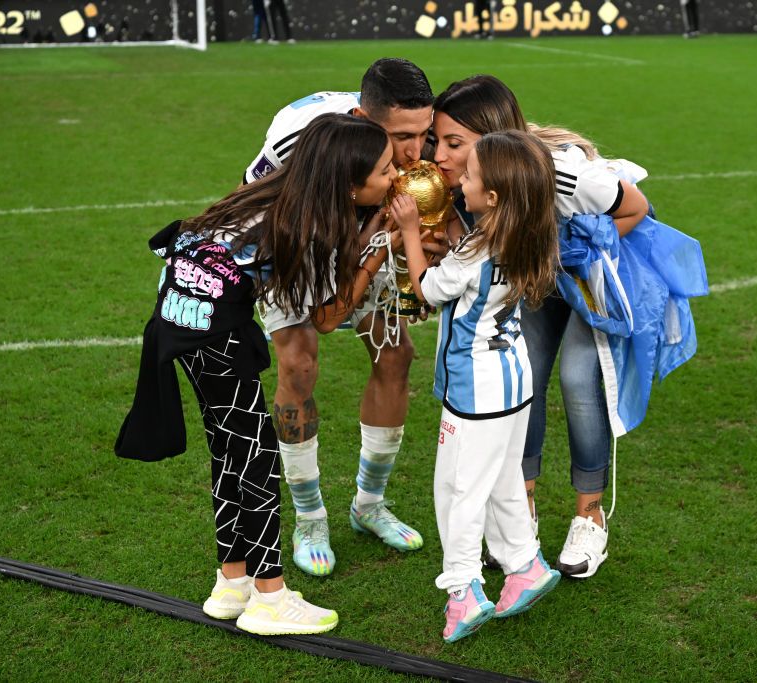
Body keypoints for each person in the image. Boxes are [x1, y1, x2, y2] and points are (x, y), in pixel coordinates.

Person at [115, 113, 399, 635]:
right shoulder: (307, 226)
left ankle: (233, 582)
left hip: (177, 317)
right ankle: (270, 597)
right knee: (257, 462)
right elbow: (328, 317)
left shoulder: (277, 191)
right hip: (215, 332)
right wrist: (378, 244)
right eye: (383, 171)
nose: (394, 177)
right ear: (348, 183)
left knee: (229, 453)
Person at [431, 75, 650, 580]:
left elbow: (634, 208)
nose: (439, 156)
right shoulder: (471, 178)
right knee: (522, 371)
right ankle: (521, 508)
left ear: (491, 139)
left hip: (596, 269)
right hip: (539, 271)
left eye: (454, 144)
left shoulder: (566, 175)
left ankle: (589, 514)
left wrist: (559, 258)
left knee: (577, 377)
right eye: (437, 141)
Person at [242, 58, 436, 578]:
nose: (417, 151)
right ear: (360, 118)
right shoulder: (294, 145)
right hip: (290, 232)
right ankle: (310, 518)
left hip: (368, 220)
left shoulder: (414, 143)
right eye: (401, 137)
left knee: (396, 354)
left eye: (424, 133)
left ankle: (368, 505)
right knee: (299, 363)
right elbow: (327, 315)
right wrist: (361, 250)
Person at [389, 130, 561, 643]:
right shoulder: (531, 232)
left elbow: (429, 289)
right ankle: (524, 564)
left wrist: (411, 232)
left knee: (457, 491)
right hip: (515, 381)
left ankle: (462, 592)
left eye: (468, 177)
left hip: (477, 388)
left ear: (494, 197)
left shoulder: (476, 247)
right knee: (504, 480)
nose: (458, 181)